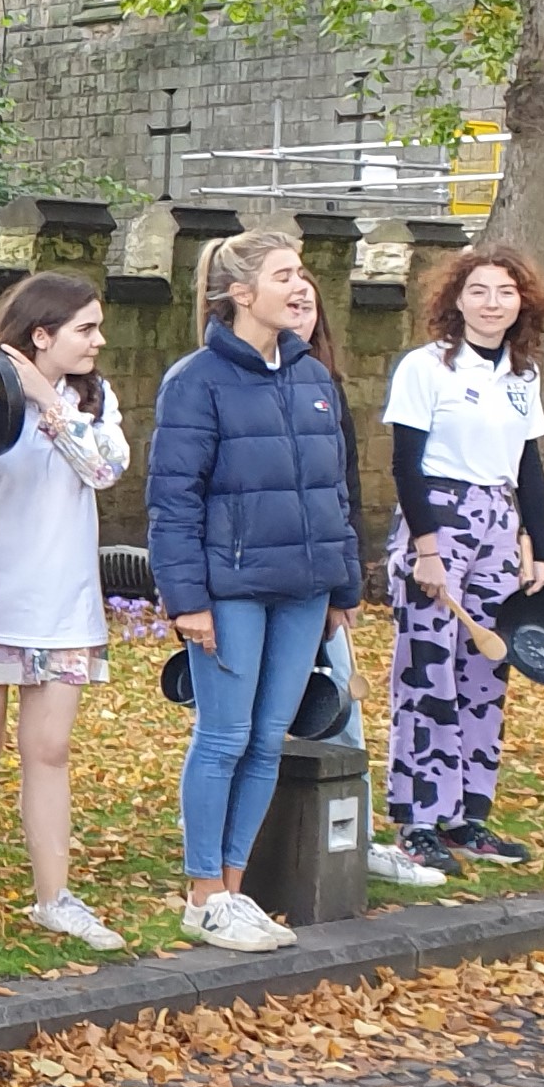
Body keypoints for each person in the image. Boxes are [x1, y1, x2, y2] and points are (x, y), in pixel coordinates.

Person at [145, 230, 361, 952]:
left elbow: (335, 491)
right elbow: (172, 501)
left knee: (268, 738)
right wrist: (187, 601)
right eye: (283, 275)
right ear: (241, 293)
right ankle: (202, 891)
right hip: (230, 589)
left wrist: (341, 584)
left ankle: (235, 891)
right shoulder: (195, 380)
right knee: (223, 737)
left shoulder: (312, 378)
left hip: (302, 590)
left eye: (301, 273)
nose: (299, 287)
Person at [0, 272, 130, 949]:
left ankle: (55, 897)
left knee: (48, 750)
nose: (97, 341)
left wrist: (49, 400)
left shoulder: (92, 404)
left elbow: (102, 471)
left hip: (63, 607)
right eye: (84, 329)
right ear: (39, 334)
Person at [380, 245, 544, 872]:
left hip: (498, 522)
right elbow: (405, 462)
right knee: (429, 669)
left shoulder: (521, 375)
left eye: (505, 292)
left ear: (521, 303)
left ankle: (467, 817)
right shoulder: (426, 368)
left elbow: (528, 465)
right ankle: (418, 817)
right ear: (456, 299)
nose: (491, 303)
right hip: (440, 517)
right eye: (478, 291)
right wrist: (425, 548)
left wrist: (539, 549)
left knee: (485, 669)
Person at [289, 276, 448, 890]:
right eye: (290, 299)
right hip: (261, 581)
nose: (299, 313)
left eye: (309, 304)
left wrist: (346, 581)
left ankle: (353, 839)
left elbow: (345, 491)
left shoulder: (326, 387)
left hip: (323, 577)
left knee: (340, 710)